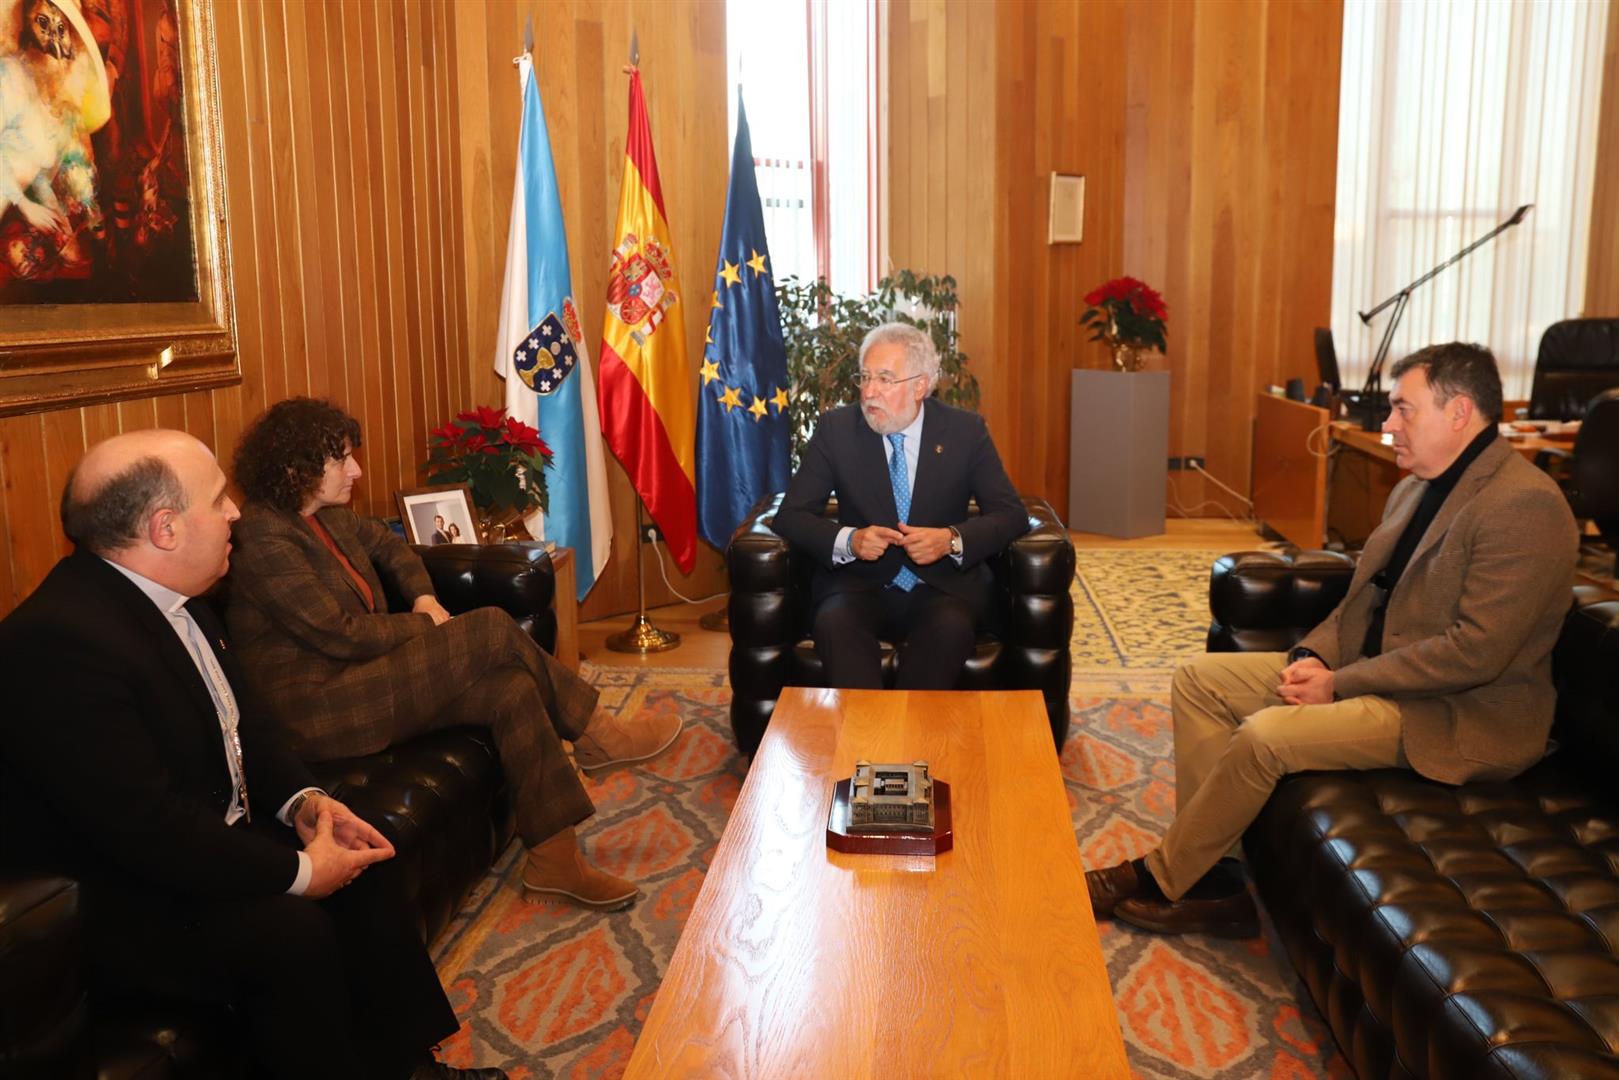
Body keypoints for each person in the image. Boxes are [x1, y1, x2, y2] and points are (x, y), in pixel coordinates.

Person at [0, 429, 503, 1079]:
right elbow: (145, 828)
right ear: (165, 529)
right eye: (218, 500)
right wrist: (298, 874)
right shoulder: (57, 645)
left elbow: (250, 727)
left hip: (190, 847)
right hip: (116, 900)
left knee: (361, 861)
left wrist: (309, 804)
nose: (235, 512)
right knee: (290, 933)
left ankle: (407, 1067)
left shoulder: (181, 599)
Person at [1086, 343, 1579, 937]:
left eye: (1403, 409)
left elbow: (1475, 651)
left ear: (1459, 412)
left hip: (1456, 714)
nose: (1388, 424)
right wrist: (1311, 656)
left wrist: (1338, 685)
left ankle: (1164, 876)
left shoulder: (1523, 504)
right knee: (1200, 681)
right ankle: (1219, 874)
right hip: (1385, 678)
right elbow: (1361, 600)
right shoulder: (1416, 487)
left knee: (1267, 735)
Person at [226, 397, 681, 910]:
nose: (355, 469)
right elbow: (340, 633)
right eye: (341, 460)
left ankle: (556, 859)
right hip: (319, 709)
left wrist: (422, 593)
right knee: (489, 627)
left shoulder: (326, 518)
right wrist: (424, 623)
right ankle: (601, 732)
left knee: (509, 688)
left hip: (361, 678)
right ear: (296, 468)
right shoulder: (263, 535)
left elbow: (395, 549)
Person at [772, 322, 1029, 690]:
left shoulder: (965, 432)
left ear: (920, 386)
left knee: (951, 629)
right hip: (857, 586)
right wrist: (850, 540)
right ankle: (865, 740)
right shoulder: (837, 430)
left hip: (941, 588)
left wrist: (951, 540)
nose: (869, 391)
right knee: (835, 625)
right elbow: (791, 515)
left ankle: (912, 741)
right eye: (865, 377)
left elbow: (1011, 513)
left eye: (885, 379)